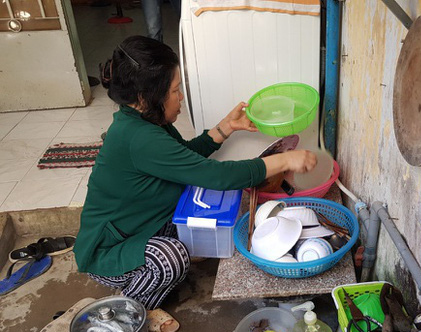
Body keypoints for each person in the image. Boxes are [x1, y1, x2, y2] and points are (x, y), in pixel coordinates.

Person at [74, 36, 316, 312]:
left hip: (142, 226)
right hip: (109, 250)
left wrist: (225, 128)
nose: (180, 97)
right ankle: (127, 311)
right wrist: (284, 160)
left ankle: (142, 282)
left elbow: (184, 157)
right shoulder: (139, 137)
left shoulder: (146, 119)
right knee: (172, 259)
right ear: (145, 97)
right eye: (175, 90)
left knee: (201, 222)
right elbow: (217, 176)